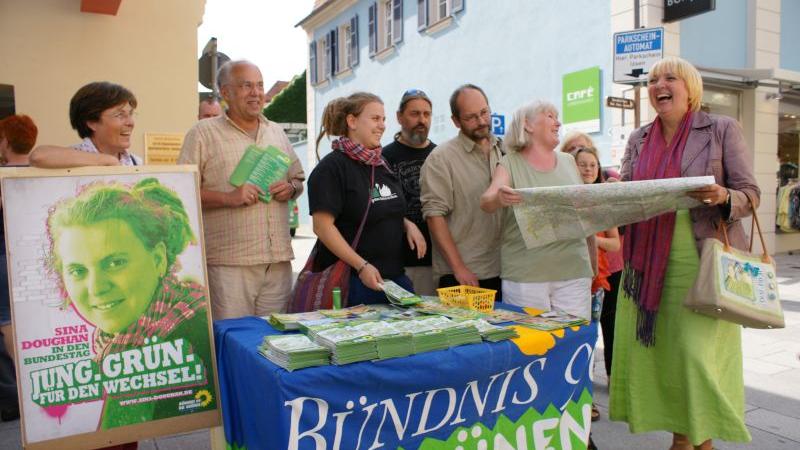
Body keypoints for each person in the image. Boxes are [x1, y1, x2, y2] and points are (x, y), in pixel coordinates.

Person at [609, 56, 760, 450]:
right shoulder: (638, 139)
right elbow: (624, 195)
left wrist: (725, 195)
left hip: (703, 263)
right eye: (653, 80)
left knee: (695, 359)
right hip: (646, 266)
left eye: (669, 77)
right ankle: (687, 439)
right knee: (665, 360)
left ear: (690, 87)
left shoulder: (722, 129)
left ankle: (692, 439)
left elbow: (751, 194)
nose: (659, 84)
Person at [46, 178, 215, 431]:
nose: (96, 288)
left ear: (158, 259)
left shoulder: (193, 337)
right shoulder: (123, 338)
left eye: (115, 263)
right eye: (78, 270)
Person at [178, 60, 305, 319]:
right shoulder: (202, 134)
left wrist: (290, 188)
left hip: (277, 262)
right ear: (226, 93)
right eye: (246, 86)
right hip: (229, 264)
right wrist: (228, 198)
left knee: (274, 342)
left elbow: (298, 178)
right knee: (234, 341)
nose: (256, 92)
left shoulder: (277, 132)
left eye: (259, 85)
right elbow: (181, 192)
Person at [307, 92, 426, 304]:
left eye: (383, 119)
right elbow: (322, 227)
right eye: (375, 118)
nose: (382, 125)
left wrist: (406, 223)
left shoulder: (380, 164)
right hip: (351, 283)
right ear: (352, 121)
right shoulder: (331, 168)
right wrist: (361, 266)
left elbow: (377, 206)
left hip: (393, 281)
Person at [479, 100, 592, 318]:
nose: (558, 123)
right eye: (550, 116)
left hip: (574, 271)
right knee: (533, 347)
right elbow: (486, 201)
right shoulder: (509, 162)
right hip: (526, 277)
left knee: (573, 344)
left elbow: (583, 212)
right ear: (527, 125)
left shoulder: (569, 161)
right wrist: (499, 198)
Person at [420, 84, 504, 299]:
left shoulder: (505, 151)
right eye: (471, 117)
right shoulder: (441, 159)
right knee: (469, 334)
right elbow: (434, 216)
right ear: (456, 121)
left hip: (506, 269)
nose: (482, 121)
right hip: (463, 276)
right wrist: (459, 267)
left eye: (484, 112)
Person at [573, 145, 620, 423]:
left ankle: (586, 398)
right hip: (569, 279)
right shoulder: (567, 197)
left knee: (589, 341)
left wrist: (590, 237)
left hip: (596, 283)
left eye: (593, 165)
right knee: (573, 342)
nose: (588, 169)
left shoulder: (603, 201)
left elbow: (614, 243)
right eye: (583, 165)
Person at [0, 114, 37, 423]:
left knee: (6, 323)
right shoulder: (40, 172)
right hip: (33, 254)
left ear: (5, 142)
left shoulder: (2, 174)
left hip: (3, 254)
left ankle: (18, 392)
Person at [382, 89, 437, 295]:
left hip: (440, 259)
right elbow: (378, 205)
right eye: (415, 114)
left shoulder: (440, 155)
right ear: (399, 117)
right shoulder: (383, 158)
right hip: (401, 262)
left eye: (426, 114)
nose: (422, 120)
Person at [29, 82, 141, 168]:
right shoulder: (69, 159)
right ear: (92, 122)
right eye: (119, 115)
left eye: (130, 113)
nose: (130, 122)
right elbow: (38, 156)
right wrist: (106, 161)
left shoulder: (136, 162)